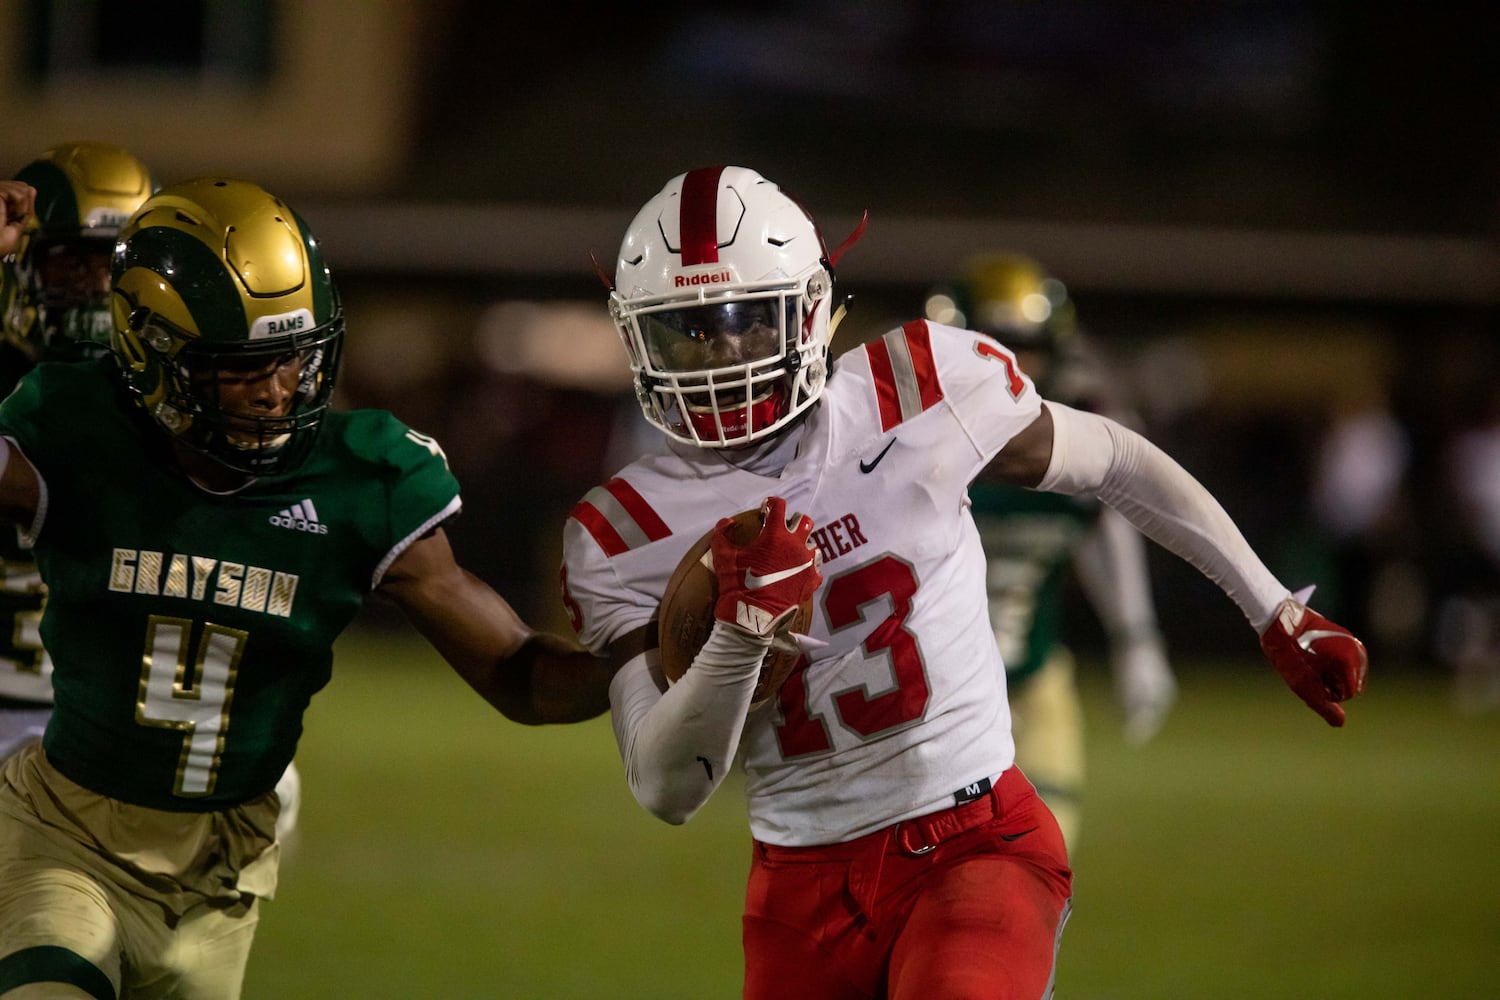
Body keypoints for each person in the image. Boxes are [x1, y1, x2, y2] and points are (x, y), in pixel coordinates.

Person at [560, 165, 1367, 999]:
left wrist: (1270, 605)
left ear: (807, 311)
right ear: (638, 341)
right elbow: (667, 789)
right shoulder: (622, 531)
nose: (722, 355)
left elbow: (1115, 459)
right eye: (689, 330)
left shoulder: (912, 388)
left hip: (970, 840)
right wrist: (739, 635)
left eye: (744, 323)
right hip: (797, 882)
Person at [0, 176, 613, 999]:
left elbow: (519, 677)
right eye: (241, 368)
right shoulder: (77, 432)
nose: (278, 389)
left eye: (294, 356)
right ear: (151, 354)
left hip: (221, 880)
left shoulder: (361, 478)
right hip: (64, 840)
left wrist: (655, 663)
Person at [923, 252, 1176, 851]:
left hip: (1032, 677)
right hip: (931, 698)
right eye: (998, 343)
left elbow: (1102, 527)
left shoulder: (1077, 427)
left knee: (1049, 860)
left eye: (1031, 345)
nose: (1019, 363)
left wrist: (1136, 637)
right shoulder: (920, 435)